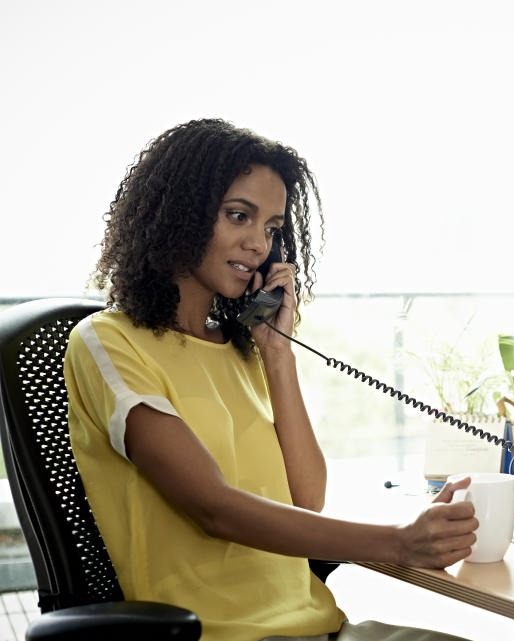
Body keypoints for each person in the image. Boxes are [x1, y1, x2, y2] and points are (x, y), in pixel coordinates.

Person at [64, 119, 478, 641]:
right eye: (239, 216)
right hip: (217, 634)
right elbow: (214, 509)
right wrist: (398, 542)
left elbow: (305, 501)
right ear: (179, 216)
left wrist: (278, 355)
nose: (258, 243)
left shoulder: (242, 350)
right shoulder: (108, 342)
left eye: (272, 228)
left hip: (318, 626)